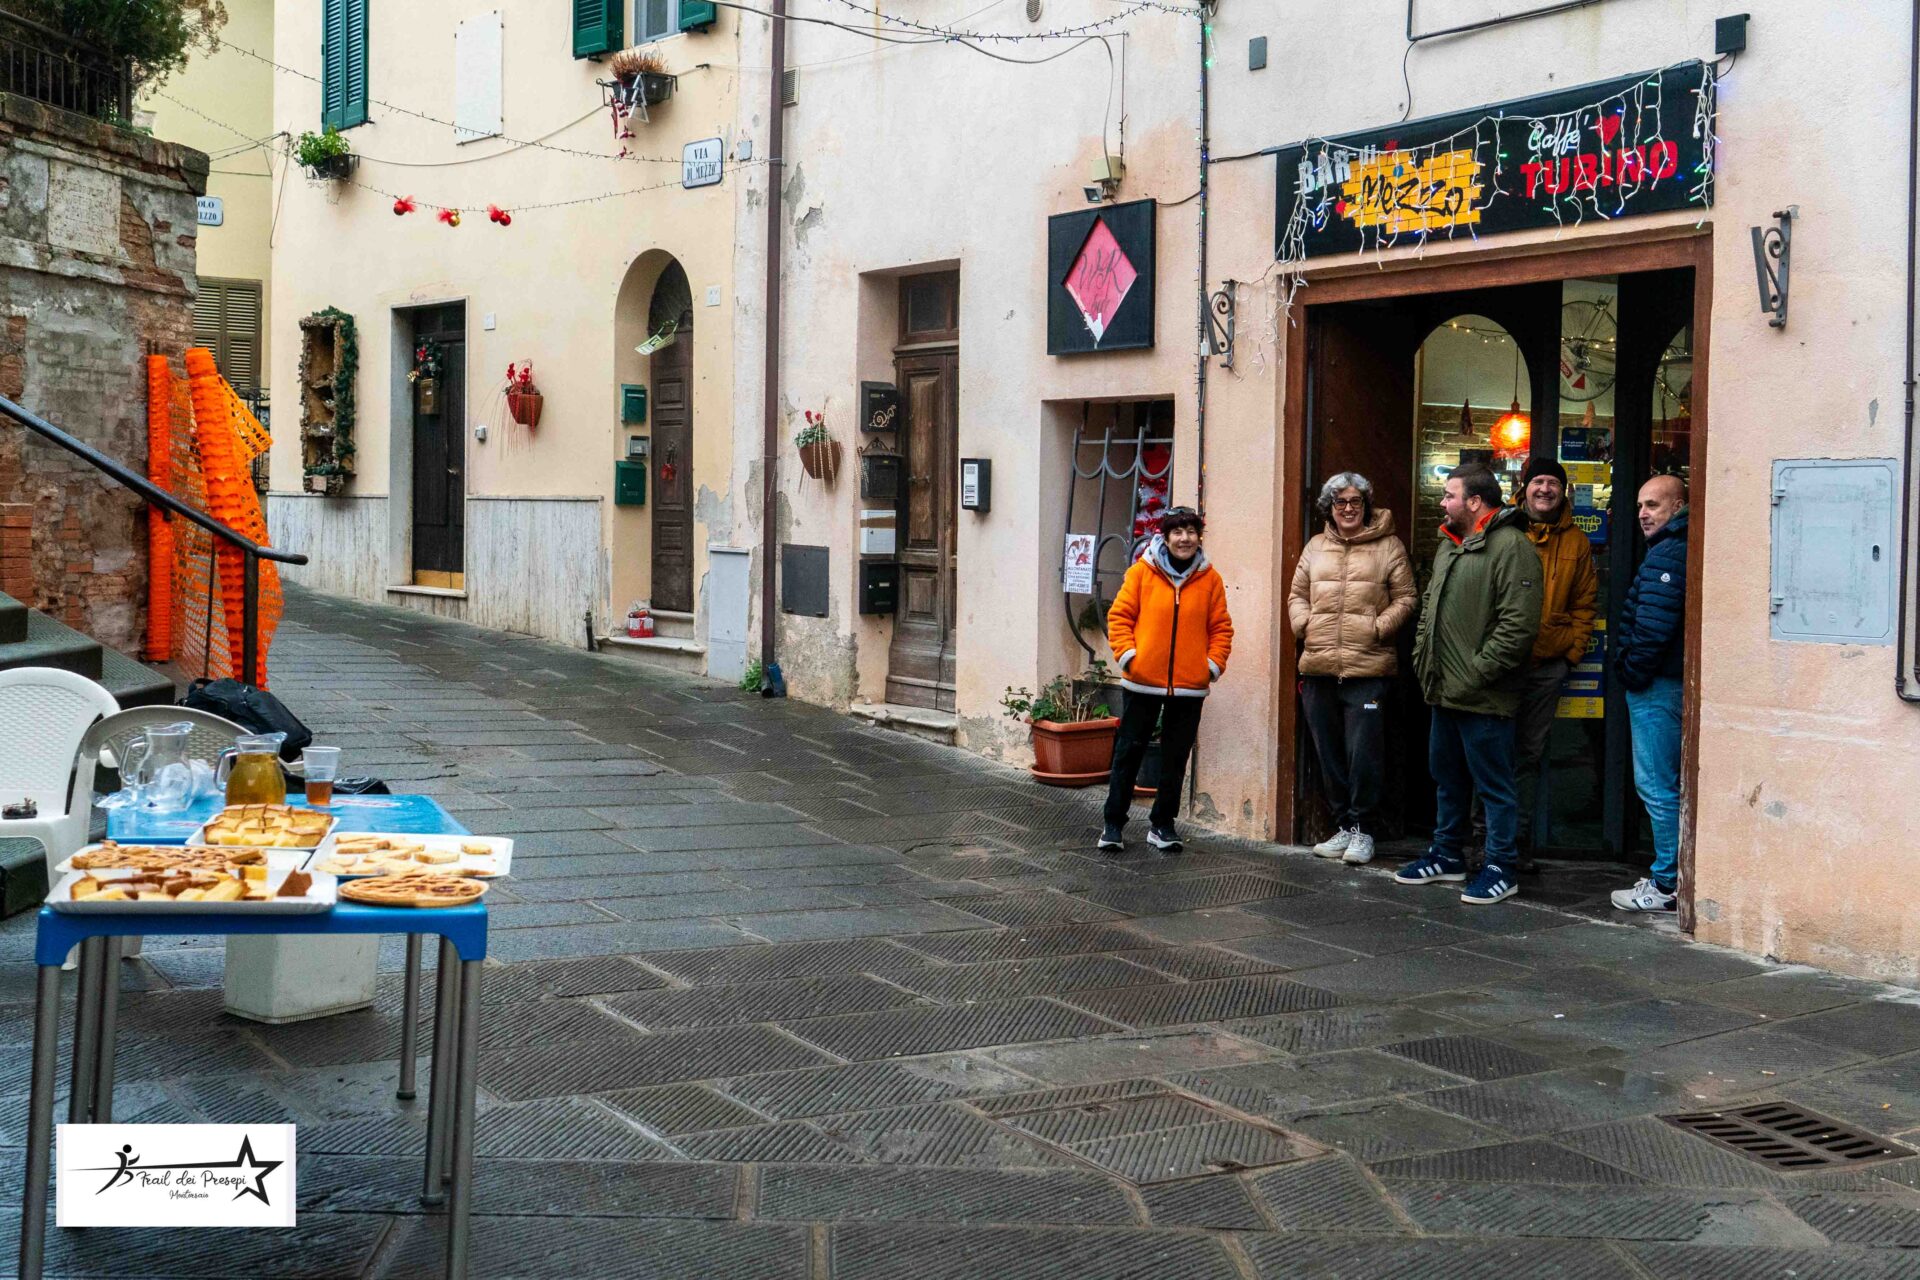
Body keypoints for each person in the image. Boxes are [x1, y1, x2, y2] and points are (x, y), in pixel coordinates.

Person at [1397, 464, 1541, 904]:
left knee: (1494, 786)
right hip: (1445, 689)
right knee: (1448, 778)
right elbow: (1429, 607)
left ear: (1475, 501)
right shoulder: (1450, 545)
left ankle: (1501, 867)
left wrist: (1478, 672)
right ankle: (1447, 855)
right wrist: (1425, 661)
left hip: (1485, 695)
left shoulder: (1512, 547)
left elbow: (1518, 625)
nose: (1443, 503)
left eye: (1450, 495)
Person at [1287, 472, 1416, 866]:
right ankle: (1343, 825)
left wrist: (1378, 627)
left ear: (1366, 505)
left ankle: (1364, 830)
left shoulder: (1389, 546)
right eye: (1340, 502)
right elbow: (1296, 594)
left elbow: (1407, 598)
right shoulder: (1315, 546)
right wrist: (1304, 624)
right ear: (1329, 507)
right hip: (1319, 669)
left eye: (1355, 501)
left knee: (1364, 756)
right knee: (1328, 754)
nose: (1348, 509)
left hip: (1368, 670)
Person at [1099, 506, 1234, 854]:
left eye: (1191, 531)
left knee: (1175, 758)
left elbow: (1221, 628)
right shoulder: (1141, 573)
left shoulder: (1210, 580)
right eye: (1177, 531)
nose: (1184, 538)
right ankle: (1113, 823)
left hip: (1189, 686)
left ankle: (1162, 825)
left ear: (1198, 537)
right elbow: (1119, 617)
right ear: (1165, 536)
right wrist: (1129, 656)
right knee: (1129, 752)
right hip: (1142, 681)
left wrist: (1211, 666)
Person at [1513, 457, 1598, 863]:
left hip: (1547, 666)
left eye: (1553, 483)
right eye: (1539, 482)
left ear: (1563, 492)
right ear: (1524, 487)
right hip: (1500, 666)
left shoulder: (1577, 542)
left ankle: (1517, 844)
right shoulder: (1504, 531)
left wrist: (1570, 654)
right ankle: (1483, 842)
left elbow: (1585, 604)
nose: (1545, 489)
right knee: (1490, 753)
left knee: (1529, 756)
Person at [1611, 474, 1689, 912]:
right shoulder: (1670, 548)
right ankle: (1669, 877)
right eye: (1640, 505)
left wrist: (1631, 672)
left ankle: (1666, 884)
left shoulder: (1670, 552)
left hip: (1657, 686)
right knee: (1663, 785)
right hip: (1660, 682)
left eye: (1653, 505)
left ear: (1677, 507)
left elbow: (1654, 628)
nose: (1642, 513)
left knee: (1658, 786)